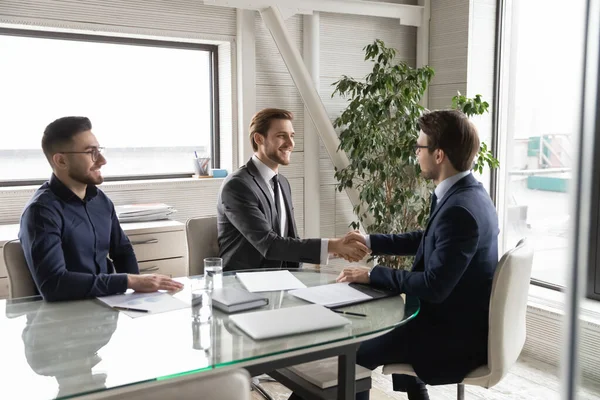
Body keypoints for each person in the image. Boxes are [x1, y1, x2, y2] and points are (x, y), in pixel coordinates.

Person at [332, 110, 499, 400]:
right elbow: (429, 239)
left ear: (439, 155)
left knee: (355, 352)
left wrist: (372, 275)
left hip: (452, 342)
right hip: (457, 325)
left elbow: (434, 286)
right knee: (396, 326)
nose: (415, 153)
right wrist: (372, 241)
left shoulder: (459, 209)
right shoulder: (469, 194)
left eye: (420, 147)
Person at [19, 116, 183, 302]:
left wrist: (139, 298)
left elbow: (122, 251)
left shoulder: (100, 200)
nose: (102, 160)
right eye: (91, 152)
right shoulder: (41, 212)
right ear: (61, 161)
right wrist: (129, 281)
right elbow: (54, 285)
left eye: (99, 151)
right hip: (65, 317)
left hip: (107, 308)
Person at [217, 108, 369, 271]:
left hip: (281, 282)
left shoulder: (282, 183)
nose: (290, 144)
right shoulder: (237, 186)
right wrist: (333, 245)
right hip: (242, 285)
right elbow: (270, 245)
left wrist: (338, 250)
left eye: (292, 136)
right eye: (282, 136)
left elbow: (289, 241)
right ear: (259, 139)